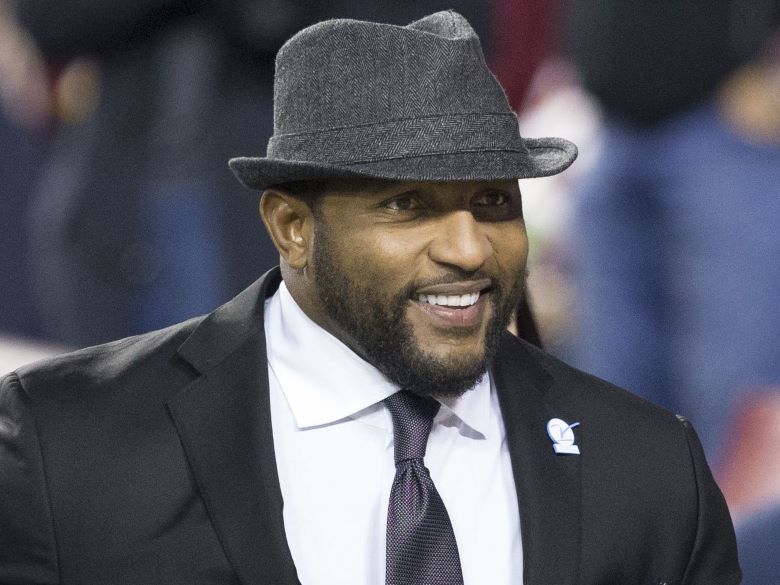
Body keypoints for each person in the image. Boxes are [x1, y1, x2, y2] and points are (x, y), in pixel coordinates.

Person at [0, 11, 740, 585]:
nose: (468, 247)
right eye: (408, 205)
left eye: (491, 201)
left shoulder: (648, 465)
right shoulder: (67, 444)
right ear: (292, 227)